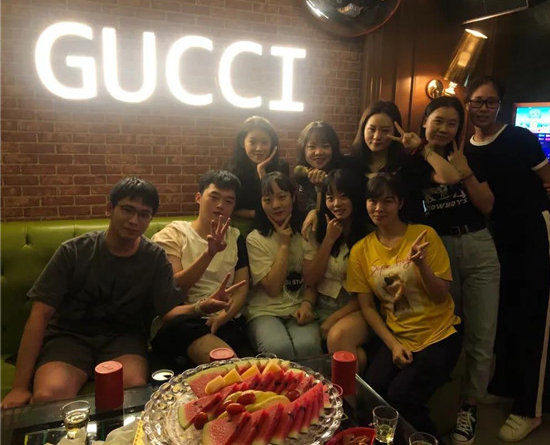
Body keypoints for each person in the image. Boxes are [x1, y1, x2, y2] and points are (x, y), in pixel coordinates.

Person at [1, 178, 233, 409]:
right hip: (69, 337)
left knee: (133, 392)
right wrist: (19, 387)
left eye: (143, 214)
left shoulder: (154, 258)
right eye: (127, 210)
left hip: (124, 339)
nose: (134, 220)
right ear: (110, 209)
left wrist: (201, 306)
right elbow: (39, 315)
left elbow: (168, 312)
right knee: (50, 395)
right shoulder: (74, 251)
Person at [464, 76, 550, 442]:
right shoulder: (467, 148)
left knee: (536, 319)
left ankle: (530, 408)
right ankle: (505, 384)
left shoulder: (520, 138)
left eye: (490, 102)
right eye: (477, 101)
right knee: (507, 316)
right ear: (467, 103)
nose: (483, 108)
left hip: (537, 234)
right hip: (501, 240)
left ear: (500, 105)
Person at [347, 173, 461, 439]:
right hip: (398, 336)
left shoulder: (424, 236)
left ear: (400, 202)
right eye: (373, 201)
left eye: (387, 201)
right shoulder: (361, 251)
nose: (379, 208)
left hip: (439, 335)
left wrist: (421, 265)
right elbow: (368, 308)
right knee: (372, 391)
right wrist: (393, 345)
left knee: (401, 394)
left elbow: (441, 296)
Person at [419, 96, 501, 445]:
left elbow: (486, 205)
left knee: (482, 333)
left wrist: (465, 169)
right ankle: (439, 397)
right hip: (440, 249)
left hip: (478, 244)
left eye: (452, 123)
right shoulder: (414, 159)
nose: (444, 128)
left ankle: (470, 406)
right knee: (444, 328)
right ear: (425, 121)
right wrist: (426, 152)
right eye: (438, 121)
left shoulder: (473, 155)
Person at [151, 171, 250, 364]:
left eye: (228, 201)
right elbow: (175, 288)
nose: (220, 205)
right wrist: (209, 254)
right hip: (185, 317)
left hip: (225, 319)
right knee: (185, 329)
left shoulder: (236, 238)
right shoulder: (174, 234)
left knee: (230, 335)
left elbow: (241, 289)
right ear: (198, 198)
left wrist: (221, 318)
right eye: (214, 197)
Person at [245, 172, 322, 360]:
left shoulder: (306, 231)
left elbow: (311, 280)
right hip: (264, 312)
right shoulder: (255, 239)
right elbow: (272, 289)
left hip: (298, 308)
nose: (276, 205)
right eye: (268, 200)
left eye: (282, 197)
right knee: (278, 349)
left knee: (308, 347)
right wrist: (284, 245)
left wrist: (307, 304)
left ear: (293, 197)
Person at [350, 100, 462, 223]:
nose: (377, 136)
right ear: (363, 129)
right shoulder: (350, 164)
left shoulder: (408, 163)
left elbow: (452, 177)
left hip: (407, 232)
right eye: (371, 129)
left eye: (385, 130)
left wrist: (422, 149)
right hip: (363, 232)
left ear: (395, 132)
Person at [303, 168, 369, 372]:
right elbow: (310, 279)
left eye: (343, 196)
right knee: (358, 357)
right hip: (322, 307)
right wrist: (328, 240)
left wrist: (334, 319)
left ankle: (343, 392)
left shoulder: (368, 234)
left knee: (338, 338)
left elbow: (368, 294)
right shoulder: (318, 228)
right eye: (330, 198)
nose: (337, 204)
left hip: (357, 308)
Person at [228, 116, 289, 219]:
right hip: (239, 224)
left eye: (264, 142)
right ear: (242, 142)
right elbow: (230, 208)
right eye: (252, 142)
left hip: (273, 223)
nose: (259, 148)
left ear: (272, 144)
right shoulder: (232, 168)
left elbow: (280, 204)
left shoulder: (281, 167)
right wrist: (258, 214)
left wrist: (262, 173)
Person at [294, 121, 344, 215]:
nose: (318, 152)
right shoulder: (299, 178)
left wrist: (323, 186)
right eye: (312, 147)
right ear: (303, 150)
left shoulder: (344, 175)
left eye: (325, 146)